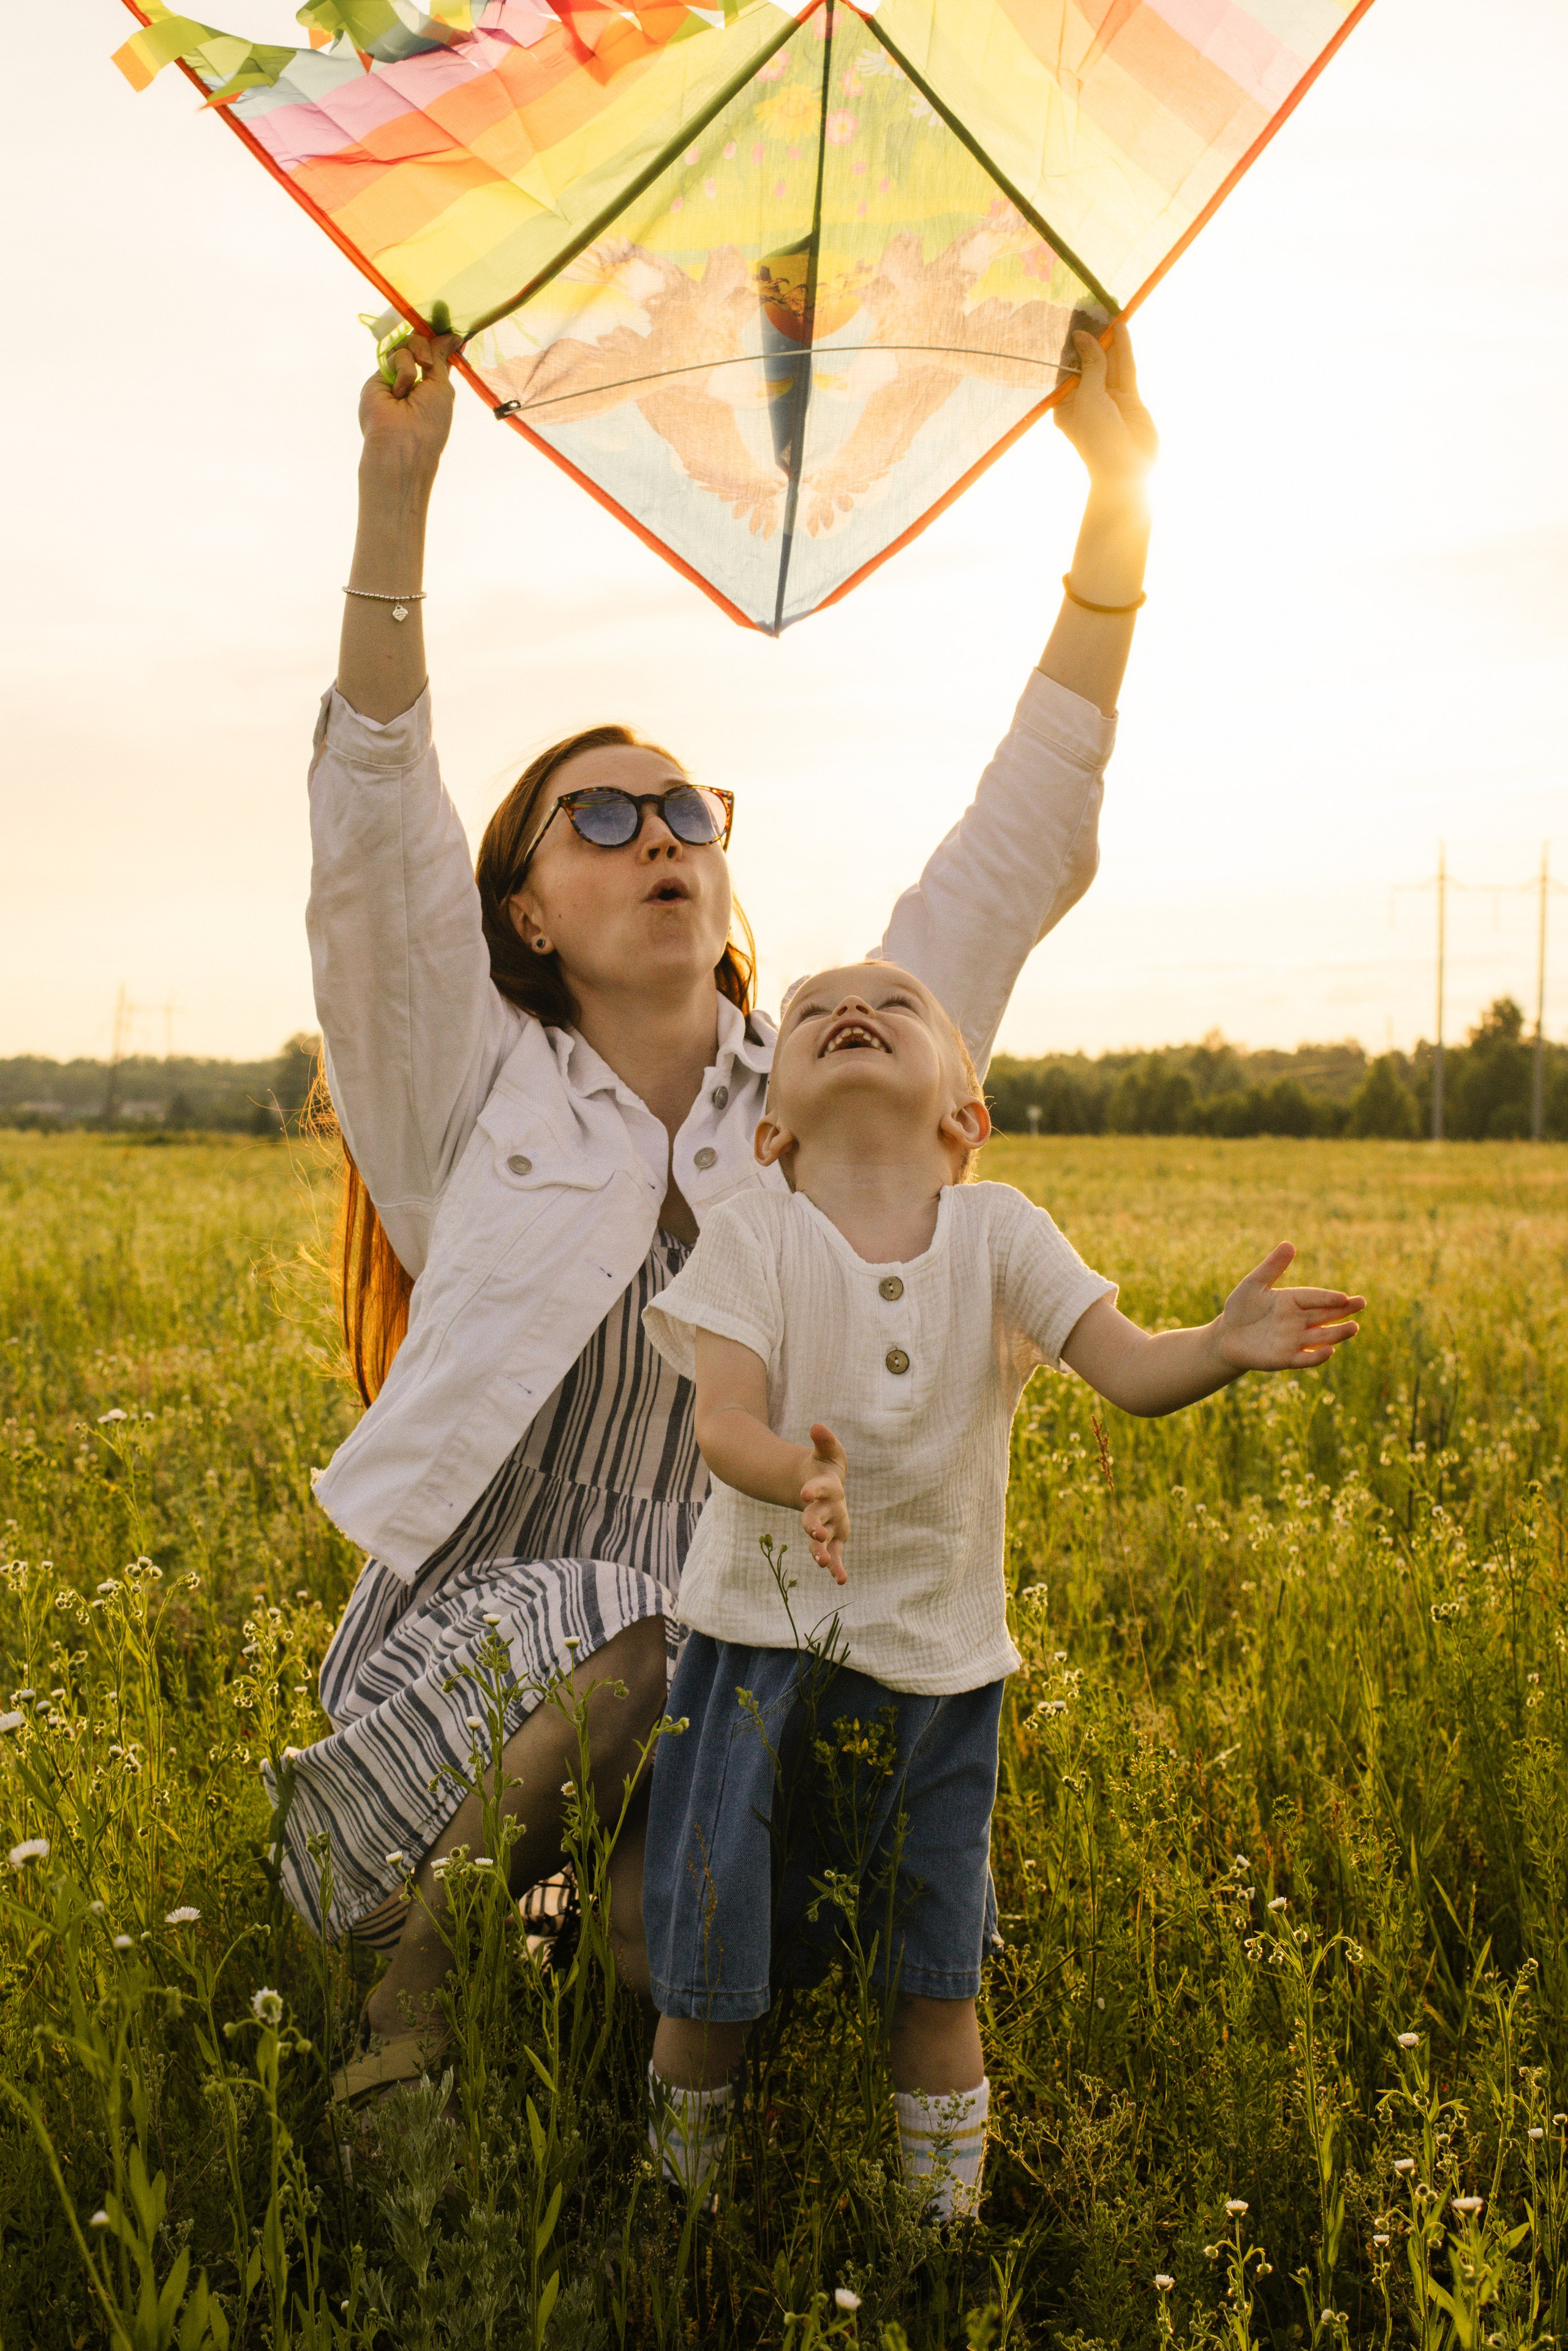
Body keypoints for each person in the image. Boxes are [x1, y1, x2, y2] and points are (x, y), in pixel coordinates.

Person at [279, 317, 1159, 2108]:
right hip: (492, 1649)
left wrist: (1115, 511)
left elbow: (1019, 840)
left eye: (685, 806)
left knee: (666, 1920)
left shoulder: (831, 1083)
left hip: (737, 1652)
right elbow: (373, 826)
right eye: (599, 816)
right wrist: (397, 487)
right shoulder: (467, 1087)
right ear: (525, 911)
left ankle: (629, 2093)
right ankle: (401, 2040)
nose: (659, 829)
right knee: (641, 1632)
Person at [638, 961, 1366, 2214]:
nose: (847, 1009)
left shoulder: (1001, 1232)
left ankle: (940, 2229)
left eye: (894, 1003)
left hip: (937, 1664)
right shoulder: (750, 1230)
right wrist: (797, 1477)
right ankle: (679, 2205)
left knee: (934, 1966)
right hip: (754, 1648)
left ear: (962, 1120)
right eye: (811, 1011)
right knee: (710, 1952)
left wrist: (1219, 1343)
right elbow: (722, 1421)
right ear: (772, 1131)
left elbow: (1128, 1369)